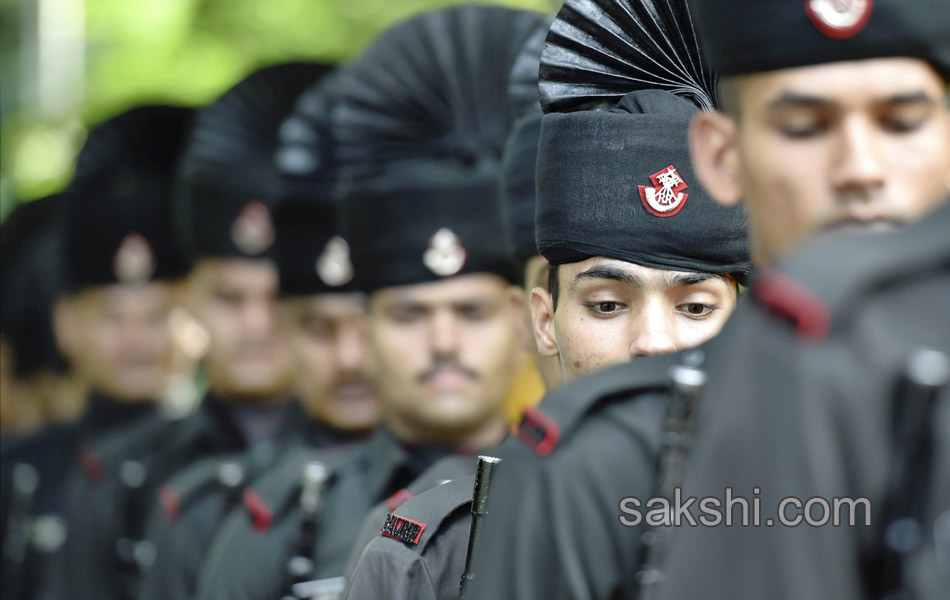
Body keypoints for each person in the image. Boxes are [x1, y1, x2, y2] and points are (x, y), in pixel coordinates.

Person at [190, 7, 546, 600]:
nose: (443, 342)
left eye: (471, 312)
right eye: (410, 314)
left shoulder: (572, 498)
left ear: (521, 319)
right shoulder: (283, 526)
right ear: (370, 324)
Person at [655, 0, 950, 598]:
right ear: (720, 154)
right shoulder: (794, 357)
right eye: (804, 128)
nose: (860, 169)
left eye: (902, 123)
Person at [1, 105, 194, 600]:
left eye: (156, 316)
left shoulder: (227, 469)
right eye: (113, 316)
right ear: (67, 323)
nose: (136, 340)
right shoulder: (19, 475)